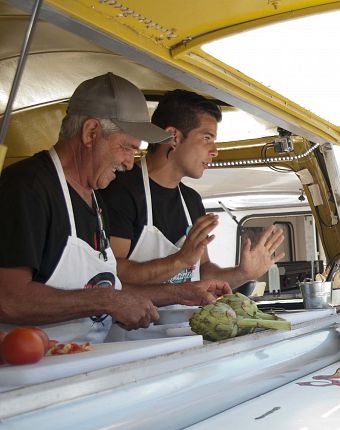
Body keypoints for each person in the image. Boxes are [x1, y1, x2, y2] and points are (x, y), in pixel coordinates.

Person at [0, 73, 230, 343]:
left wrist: (183, 293)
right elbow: (9, 299)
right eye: (126, 148)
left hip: (82, 360)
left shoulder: (93, 196)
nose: (129, 163)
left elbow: (111, 285)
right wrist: (107, 300)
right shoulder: (26, 187)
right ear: (91, 133)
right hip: (30, 372)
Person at [99, 89, 285, 291]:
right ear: (174, 137)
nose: (214, 151)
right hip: (136, 323)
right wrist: (179, 260)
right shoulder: (121, 190)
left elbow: (203, 271)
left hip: (186, 322)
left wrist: (243, 273)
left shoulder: (191, 200)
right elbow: (113, 270)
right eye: (207, 138)